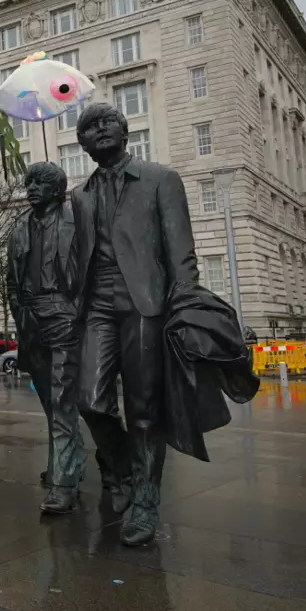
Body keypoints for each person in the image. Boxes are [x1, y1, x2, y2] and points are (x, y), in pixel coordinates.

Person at [72, 102, 200, 547]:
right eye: (89, 126)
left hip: (146, 302)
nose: (99, 129)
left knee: (144, 409)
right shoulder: (80, 196)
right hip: (97, 306)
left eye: (108, 121)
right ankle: (126, 467)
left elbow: (180, 251)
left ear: (126, 132)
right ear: (82, 143)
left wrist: (184, 307)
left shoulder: (161, 179)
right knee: (89, 399)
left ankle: (146, 498)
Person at [6, 162, 88, 513]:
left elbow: (90, 271)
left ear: (58, 189)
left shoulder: (77, 222)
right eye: (29, 182)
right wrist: (19, 313)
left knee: (62, 399)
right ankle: (68, 460)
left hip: (64, 314)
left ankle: (63, 482)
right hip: (30, 318)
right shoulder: (19, 227)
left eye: (40, 182)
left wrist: (75, 310)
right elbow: (11, 278)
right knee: (50, 403)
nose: (32, 187)